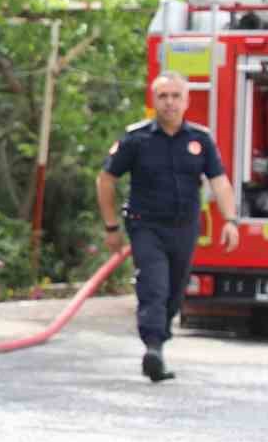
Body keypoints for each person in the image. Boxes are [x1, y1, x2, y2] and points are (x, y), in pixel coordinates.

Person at [97, 71, 241, 382]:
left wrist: (230, 220)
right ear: (154, 101)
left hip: (184, 228)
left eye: (176, 96)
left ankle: (159, 342)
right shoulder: (136, 139)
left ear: (187, 101)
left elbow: (219, 181)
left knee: (175, 293)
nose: (169, 102)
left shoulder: (200, 140)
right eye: (163, 96)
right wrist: (111, 227)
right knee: (154, 286)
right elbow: (106, 179)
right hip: (145, 226)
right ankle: (153, 347)